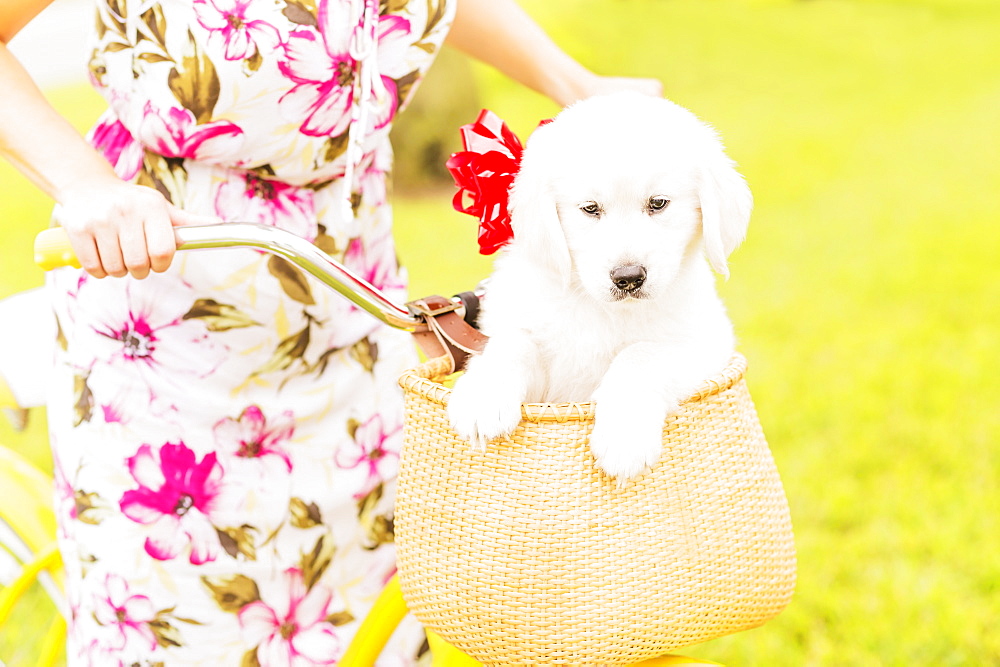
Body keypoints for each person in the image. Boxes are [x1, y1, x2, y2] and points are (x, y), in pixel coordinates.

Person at [0, 0, 661, 663]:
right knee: (184, 626)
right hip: (168, 326)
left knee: (371, 624)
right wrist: (84, 185)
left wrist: (577, 86)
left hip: (352, 309)